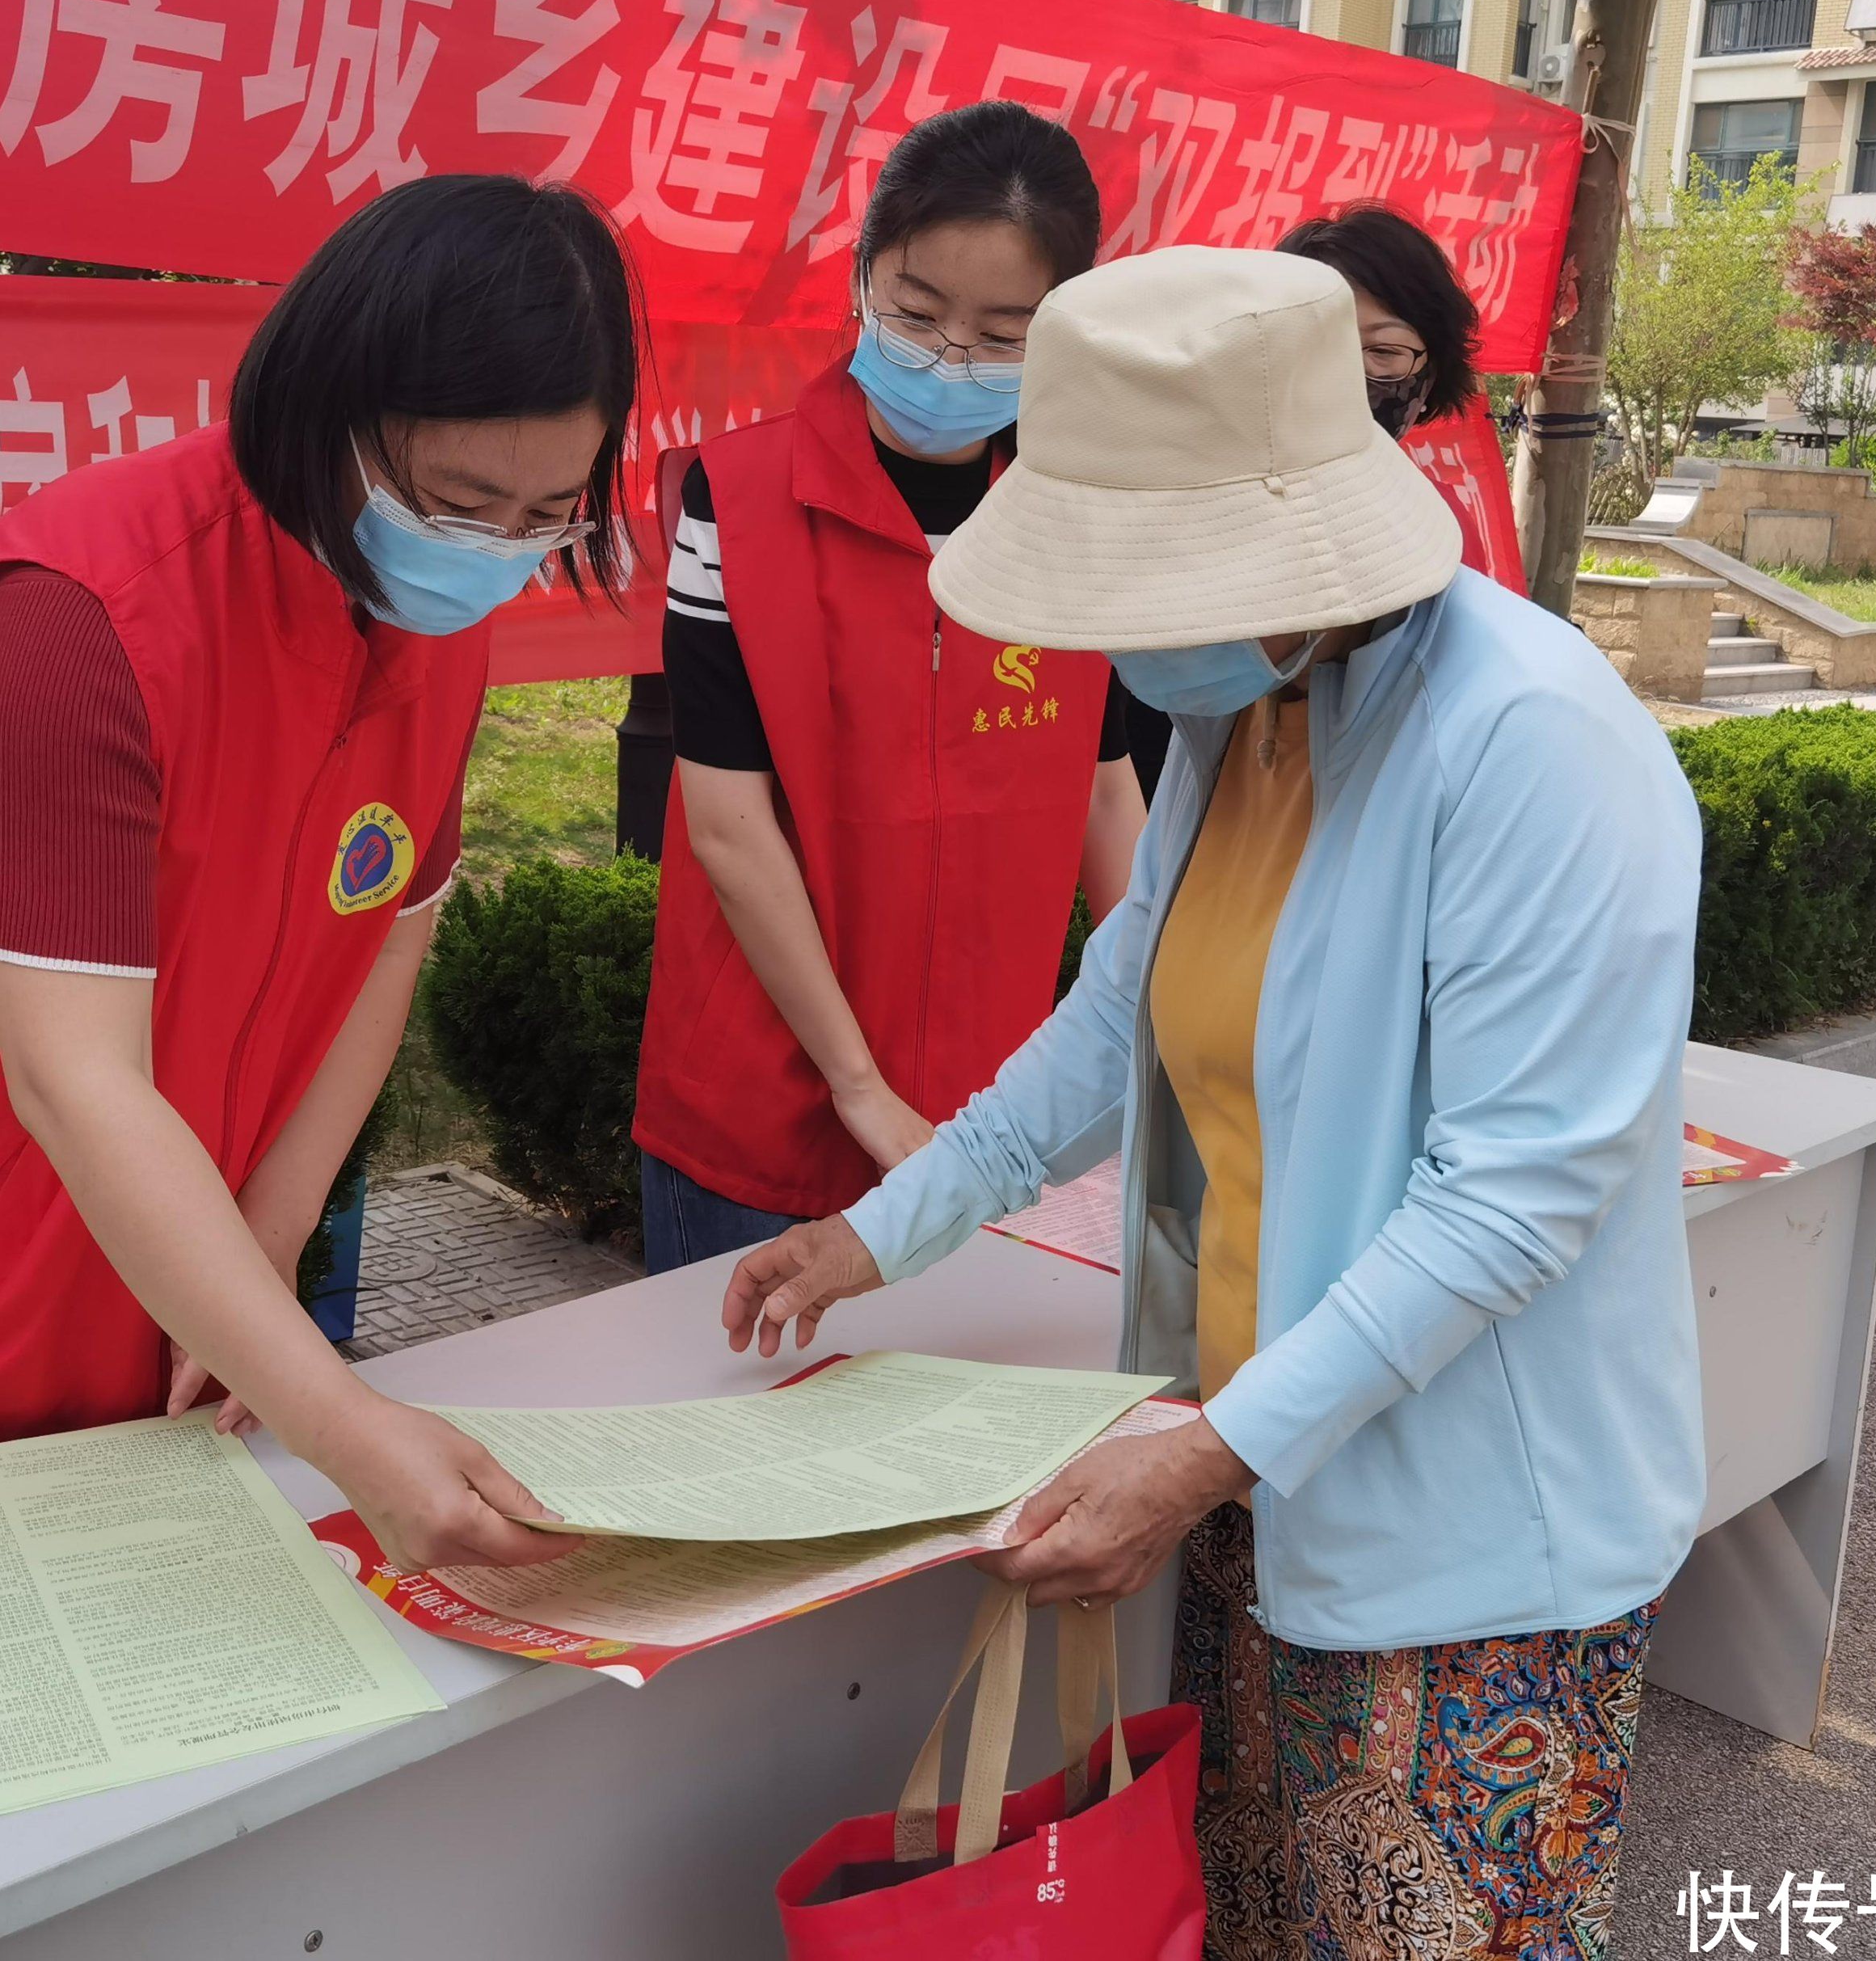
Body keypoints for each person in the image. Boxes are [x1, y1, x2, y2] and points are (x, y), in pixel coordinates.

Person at [719, 247, 1706, 1958]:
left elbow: (1513, 1194)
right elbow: (1123, 1016)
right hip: (1256, 1458)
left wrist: (1202, 1461)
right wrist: (877, 1234)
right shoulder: (1249, 707)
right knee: (1253, 1921)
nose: (1123, 636)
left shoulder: (1533, 737)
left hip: (1469, 1543)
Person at [0, 175, 632, 1577]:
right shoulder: (79, 610)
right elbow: (74, 1074)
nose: (490, 551)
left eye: (543, 512)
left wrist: (269, 1232)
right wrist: (342, 1416)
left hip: (153, 1285)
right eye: (458, 498)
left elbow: (391, 930)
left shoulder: (438, 616)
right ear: (328, 410)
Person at [630, 101, 1149, 1272]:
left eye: (1001, 332)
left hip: (997, 1122)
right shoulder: (737, 497)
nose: (948, 358)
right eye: (917, 314)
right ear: (864, 276)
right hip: (759, 1117)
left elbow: (1107, 794)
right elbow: (725, 821)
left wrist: (1156, 1041)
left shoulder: (1073, 516)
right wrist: (859, 1090)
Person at [1118, 202, 1492, 803]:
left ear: (1427, 383)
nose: (1343, 377)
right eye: (1313, 343)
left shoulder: (1442, 539)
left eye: (1383, 353)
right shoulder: (1191, 503)